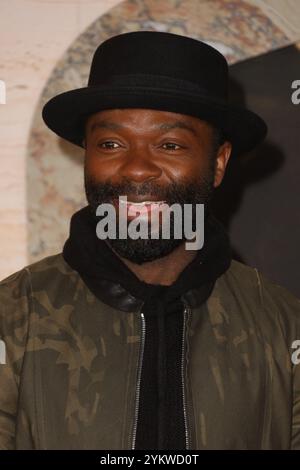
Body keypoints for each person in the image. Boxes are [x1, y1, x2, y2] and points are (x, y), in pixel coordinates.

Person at [0, 31, 299, 450]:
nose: (137, 168)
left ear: (218, 163)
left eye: (169, 144)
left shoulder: (285, 326)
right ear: (87, 155)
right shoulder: (12, 318)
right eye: (111, 143)